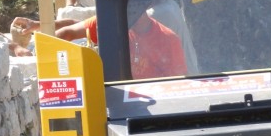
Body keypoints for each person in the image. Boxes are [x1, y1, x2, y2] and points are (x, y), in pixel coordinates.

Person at [55, 8, 187, 80]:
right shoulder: (111, 22)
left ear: (143, 10)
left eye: (132, 11)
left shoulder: (169, 40)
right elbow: (67, 33)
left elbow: (177, 84)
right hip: (114, 95)